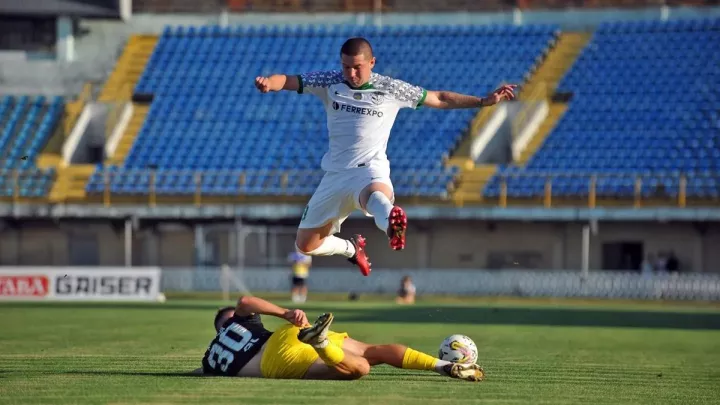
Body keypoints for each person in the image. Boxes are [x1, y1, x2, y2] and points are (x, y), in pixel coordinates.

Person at [254, 37, 516, 277]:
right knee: (306, 244)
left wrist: (482, 101)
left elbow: (439, 97)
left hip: (370, 169)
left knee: (376, 198)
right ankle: (351, 249)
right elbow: (289, 80)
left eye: (357, 67)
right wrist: (269, 83)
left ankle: (392, 223)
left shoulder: (390, 88)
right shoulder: (329, 82)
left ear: (372, 62)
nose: (351, 73)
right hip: (335, 175)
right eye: (346, 67)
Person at [195, 295, 485, 382]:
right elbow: (245, 300)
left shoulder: (210, 357)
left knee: (359, 368)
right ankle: (441, 366)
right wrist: (286, 313)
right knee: (374, 352)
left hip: (277, 360)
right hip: (288, 336)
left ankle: (319, 343)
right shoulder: (242, 324)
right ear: (231, 323)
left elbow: (199, 371)